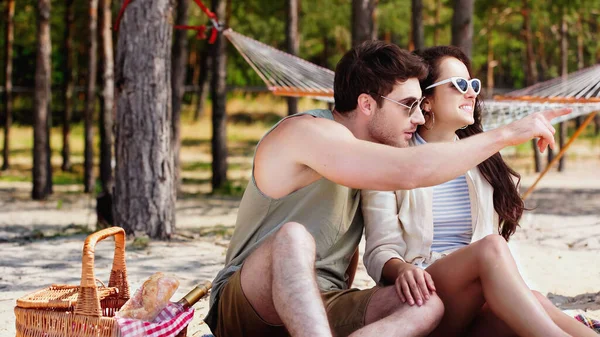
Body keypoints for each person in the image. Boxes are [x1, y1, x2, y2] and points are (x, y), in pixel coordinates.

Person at [204, 40, 569, 337]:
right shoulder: (308, 133)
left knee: (428, 305)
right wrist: (508, 133)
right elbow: (411, 172)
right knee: (294, 238)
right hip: (247, 303)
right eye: (408, 106)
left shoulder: (367, 156)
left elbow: (349, 251)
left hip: (323, 305)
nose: (418, 118)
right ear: (366, 104)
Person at [361, 45, 596, 337]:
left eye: (473, 84)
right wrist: (402, 269)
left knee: (533, 301)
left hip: (477, 301)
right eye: (459, 85)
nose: (471, 92)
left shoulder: (482, 160)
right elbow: (378, 251)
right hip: (423, 298)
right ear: (427, 101)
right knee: (491, 247)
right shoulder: (390, 159)